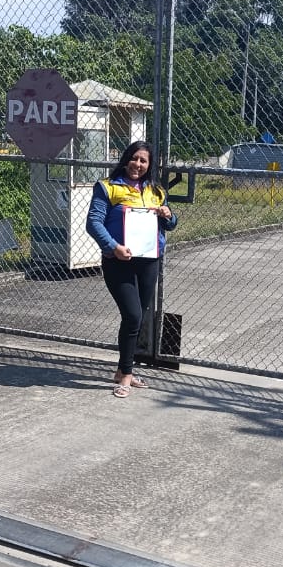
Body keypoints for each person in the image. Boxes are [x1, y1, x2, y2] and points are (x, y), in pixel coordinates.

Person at [85, 141, 178, 397]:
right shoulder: (107, 187)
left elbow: (170, 224)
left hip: (148, 261)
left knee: (136, 317)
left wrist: (168, 215)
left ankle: (122, 370)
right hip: (118, 261)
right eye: (134, 158)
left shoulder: (156, 190)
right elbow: (93, 222)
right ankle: (126, 375)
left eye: (143, 161)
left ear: (150, 165)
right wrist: (113, 247)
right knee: (133, 316)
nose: (138, 164)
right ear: (126, 159)